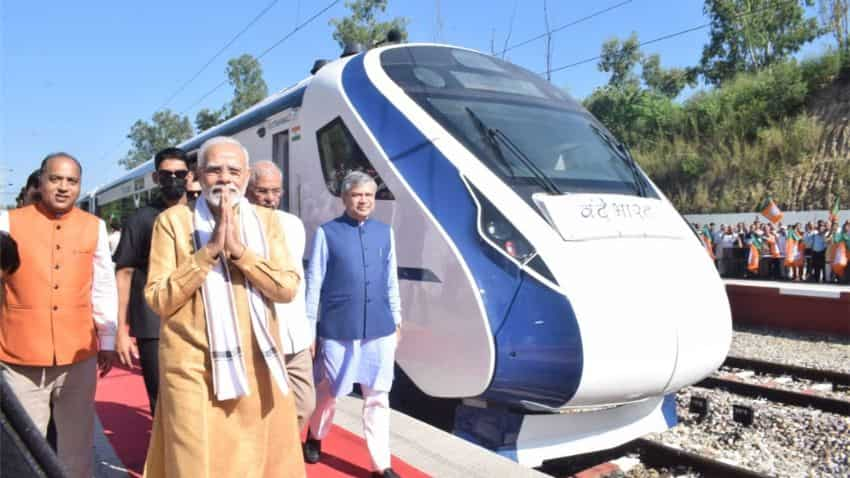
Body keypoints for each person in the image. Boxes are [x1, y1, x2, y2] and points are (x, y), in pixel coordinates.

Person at [142, 136, 304, 477]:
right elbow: (158, 298)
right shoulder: (173, 222)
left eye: (233, 170)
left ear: (246, 177)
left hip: (257, 364)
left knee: (256, 464)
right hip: (191, 369)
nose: (225, 178)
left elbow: (287, 287)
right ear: (198, 177)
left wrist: (240, 253)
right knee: (194, 464)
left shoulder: (269, 222)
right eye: (214, 170)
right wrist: (208, 252)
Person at [0, 152, 118, 478]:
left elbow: (104, 285)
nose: (64, 187)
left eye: (72, 181)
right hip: (18, 355)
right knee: (24, 448)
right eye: (56, 179)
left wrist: (107, 338)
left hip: (78, 354)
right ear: (40, 181)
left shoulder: (93, 226)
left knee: (77, 448)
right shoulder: (8, 222)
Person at [304, 171, 402, 478]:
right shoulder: (327, 233)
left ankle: (380, 464)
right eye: (357, 195)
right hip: (338, 329)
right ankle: (316, 435)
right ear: (345, 198)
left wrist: (397, 320)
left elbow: (391, 281)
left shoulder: (385, 233)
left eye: (369, 195)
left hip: (379, 329)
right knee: (329, 392)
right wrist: (309, 329)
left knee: (377, 397)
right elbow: (314, 282)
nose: (364, 200)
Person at [112, 147, 192, 414]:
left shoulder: (200, 215)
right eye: (166, 174)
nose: (174, 180)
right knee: (162, 402)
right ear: (156, 178)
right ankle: (163, 456)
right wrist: (121, 330)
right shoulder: (141, 219)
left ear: (189, 176)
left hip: (195, 322)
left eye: (179, 174)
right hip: (152, 324)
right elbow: (124, 273)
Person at [246, 160, 315, 432]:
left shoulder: (293, 224)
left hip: (295, 335)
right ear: (248, 190)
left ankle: (278, 451)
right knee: (259, 407)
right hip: (256, 333)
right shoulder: (238, 224)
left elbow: (299, 277)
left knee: (304, 403)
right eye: (263, 191)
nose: (270, 198)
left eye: (276, 191)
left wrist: (308, 329)